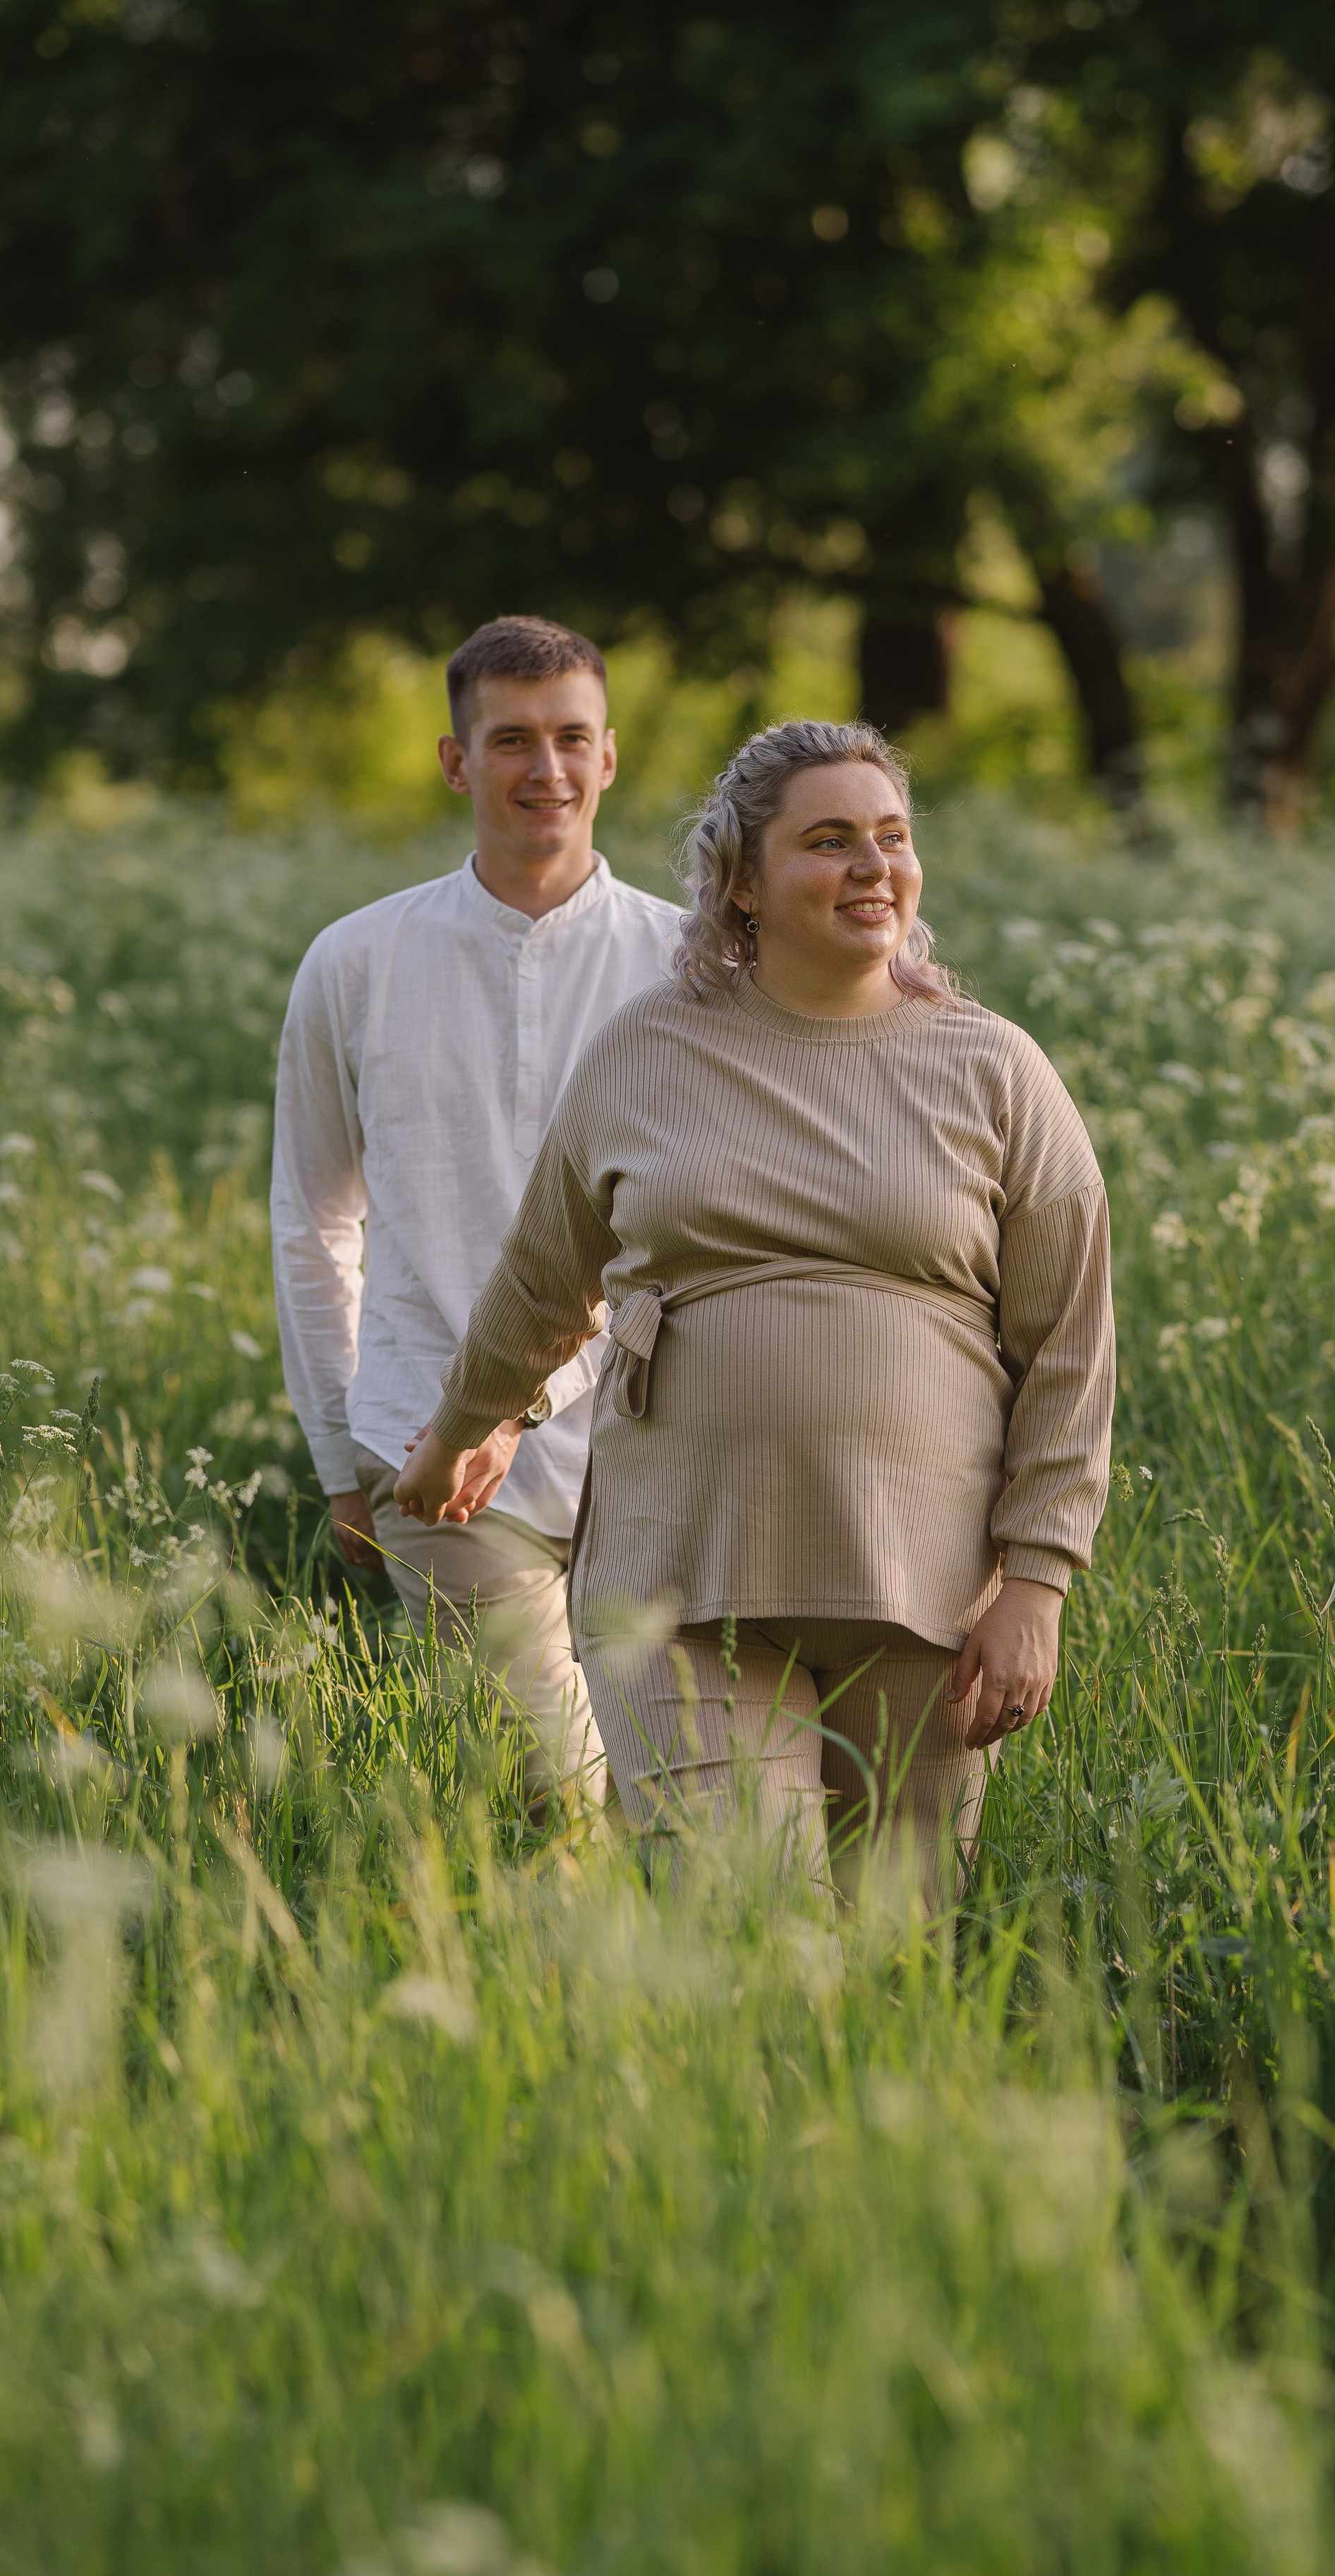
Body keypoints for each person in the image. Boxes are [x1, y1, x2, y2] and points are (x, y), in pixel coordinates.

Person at [394, 717, 1115, 1903]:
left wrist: (1037, 1583)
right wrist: (466, 1421)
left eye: (891, 837)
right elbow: (542, 1281)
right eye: (829, 841)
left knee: (898, 1962)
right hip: (680, 1578)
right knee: (752, 1937)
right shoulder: (644, 1052)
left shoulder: (994, 1068)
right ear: (741, 881)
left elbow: (1070, 1349)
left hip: (925, 1596)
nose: (873, 866)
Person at [270, 615, 682, 1806]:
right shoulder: (354, 963)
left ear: (610, 756)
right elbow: (314, 1223)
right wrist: (342, 1447)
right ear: (458, 763)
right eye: (511, 740)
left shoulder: (690, 967)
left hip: (656, 1441)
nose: (543, 770)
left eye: (570, 739)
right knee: (556, 1796)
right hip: (431, 1448)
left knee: (676, 1795)